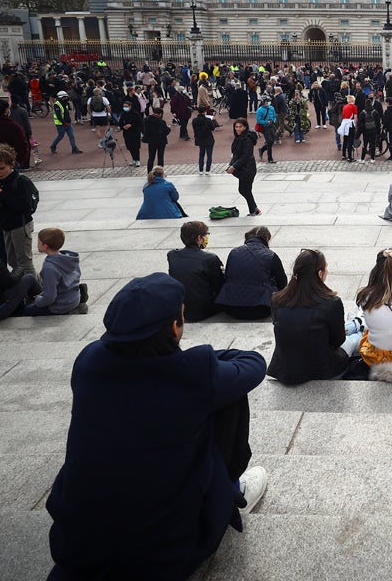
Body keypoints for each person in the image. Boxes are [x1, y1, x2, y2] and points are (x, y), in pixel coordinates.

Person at [46, 273, 268, 581]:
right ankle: (232, 488)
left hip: (77, 541)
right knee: (228, 396)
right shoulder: (193, 373)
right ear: (175, 328)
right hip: (160, 553)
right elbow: (254, 364)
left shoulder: (89, 361)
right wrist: (208, 361)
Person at [267, 249, 366, 384]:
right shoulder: (332, 303)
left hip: (285, 367)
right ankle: (359, 326)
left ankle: (356, 323)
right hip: (322, 369)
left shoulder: (276, 299)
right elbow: (338, 341)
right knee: (356, 338)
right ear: (320, 274)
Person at [0, 145, 39, 275]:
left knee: (24, 262)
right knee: (12, 260)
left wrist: (1, 194)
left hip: (21, 224)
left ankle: (37, 291)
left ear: (11, 165)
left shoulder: (21, 181)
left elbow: (26, 207)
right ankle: (25, 287)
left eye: (2, 168)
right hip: (6, 225)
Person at [215, 226, 287, 321]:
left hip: (230, 308)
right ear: (266, 238)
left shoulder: (234, 252)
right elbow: (282, 283)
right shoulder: (271, 255)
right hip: (262, 309)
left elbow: (228, 276)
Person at [166, 220, 225, 322]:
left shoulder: (172, 255)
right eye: (206, 235)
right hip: (202, 310)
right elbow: (219, 285)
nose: (206, 238)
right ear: (199, 238)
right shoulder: (210, 258)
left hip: (180, 308)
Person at [22, 228, 88, 317]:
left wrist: (38, 300)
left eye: (38, 242)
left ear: (45, 246)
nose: (37, 244)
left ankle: (68, 312)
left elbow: (50, 297)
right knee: (30, 278)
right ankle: (78, 303)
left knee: (26, 310)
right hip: (73, 298)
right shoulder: (69, 258)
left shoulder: (49, 268)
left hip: (59, 306)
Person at [225, 118, 260, 217]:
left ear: (245, 127)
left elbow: (245, 156)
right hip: (244, 168)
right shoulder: (240, 137)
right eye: (236, 127)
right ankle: (254, 209)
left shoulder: (247, 139)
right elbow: (236, 154)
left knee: (245, 190)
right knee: (244, 190)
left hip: (248, 168)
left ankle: (254, 210)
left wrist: (234, 166)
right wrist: (232, 165)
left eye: (240, 127)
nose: (238, 129)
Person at [0, 99, 30, 167]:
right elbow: (21, 144)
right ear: (6, 110)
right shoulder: (13, 126)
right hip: (10, 158)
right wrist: (21, 158)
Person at [49, 90, 82, 155]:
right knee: (60, 136)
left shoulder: (65, 103)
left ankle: (74, 148)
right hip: (60, 124)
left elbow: (66, 113)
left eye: (66, 97)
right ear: (60, 98)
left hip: (67, 122)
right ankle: (53, 146)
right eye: (64, 97)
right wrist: (64, 123)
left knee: (71, 135)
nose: (66, 98)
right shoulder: (57, 105)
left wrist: (68, 121)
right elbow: (59, 116)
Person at [192, 106, 221, 173]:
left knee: (201, 154)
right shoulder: (208, 120)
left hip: (199, 139)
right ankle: (208, 170)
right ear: (204, 112)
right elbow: (213, 128)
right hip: (209, 139)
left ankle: (201, 170)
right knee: (209, 155)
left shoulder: (194, 120)